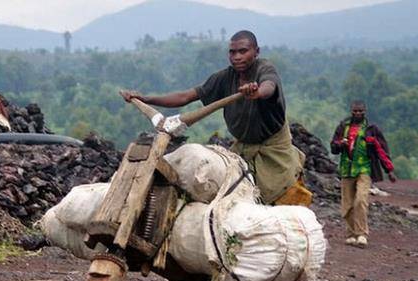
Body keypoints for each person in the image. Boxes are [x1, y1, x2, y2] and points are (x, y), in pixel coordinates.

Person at [120, 30, 311, 206]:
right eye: (232, 52)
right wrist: (146, 98)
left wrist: (256, 92)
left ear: (256, 51)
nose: (236, 57)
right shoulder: (224, 78)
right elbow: (186, 96)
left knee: (285, 204)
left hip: (274, 152)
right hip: (243, 149)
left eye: (243, 51)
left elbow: (269, 86)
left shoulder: (265, 69)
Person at [330, 100, 397, 248]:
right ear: (351, 111)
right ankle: (351, 234)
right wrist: (340, 144)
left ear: (365, 112)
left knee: (360, 200)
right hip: (347, 169)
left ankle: (361, 234)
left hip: (364, 169)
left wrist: (389, 170)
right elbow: (333, 147)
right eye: (355, 111)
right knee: (347, 204)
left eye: (360, 111)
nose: (358, 114)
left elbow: (382, 150)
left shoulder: (371, 130)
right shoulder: (343, 127)